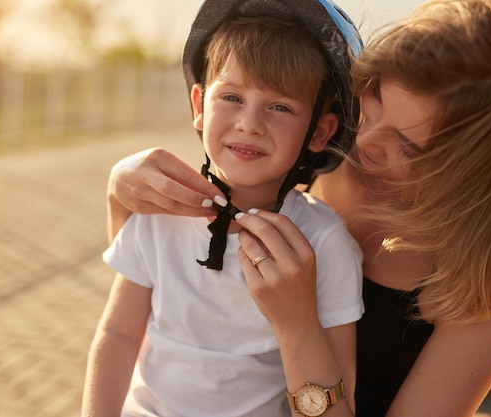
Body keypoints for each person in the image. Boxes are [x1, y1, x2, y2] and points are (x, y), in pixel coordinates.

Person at [105, 0, 491, 416]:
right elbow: (168, 288)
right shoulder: (325, 156)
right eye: (373, 104)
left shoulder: (489, 281)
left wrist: (298, 326)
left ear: (481, 173)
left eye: (409, 148)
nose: (363, 143)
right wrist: (119, 189)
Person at [82, 1, 366, 416]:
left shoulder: (324, 242)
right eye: (231, 96)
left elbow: (340, 394)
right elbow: (119, 334)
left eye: (280, 106)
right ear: (199, 106)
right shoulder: (159, 211)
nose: (249, 123)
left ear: (320, 132)